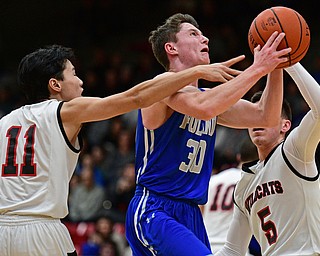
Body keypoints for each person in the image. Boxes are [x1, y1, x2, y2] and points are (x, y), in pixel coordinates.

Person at [0, 44, 245, 256]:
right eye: (73, 74)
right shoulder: (65, 111)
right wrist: (199, 71)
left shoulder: (4, 123)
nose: (81, 81)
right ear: (55, 84)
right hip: (40, 230)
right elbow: (136, 97)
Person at [125, 13, 291, 256]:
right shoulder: (162, 87)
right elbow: (205, 107)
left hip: (190, 212)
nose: (205, 38)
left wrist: (275, 67)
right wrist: (257, 68)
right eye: (193, 34)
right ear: (171, 48)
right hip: (154, 207)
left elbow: (265, 116)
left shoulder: (205, 96)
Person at [215, 62, 320, 255]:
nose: (258, 121)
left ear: (285, 126)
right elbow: (232, 251)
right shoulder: (243, 186)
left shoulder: (293, 152)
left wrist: (290, 62)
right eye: (254, 116)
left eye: (267, 116)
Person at [200, 139, 259, 255]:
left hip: (207, 247)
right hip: (235, 249)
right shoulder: (253, 183)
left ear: (238, 157)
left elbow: (200, 212)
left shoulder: (213, 180)